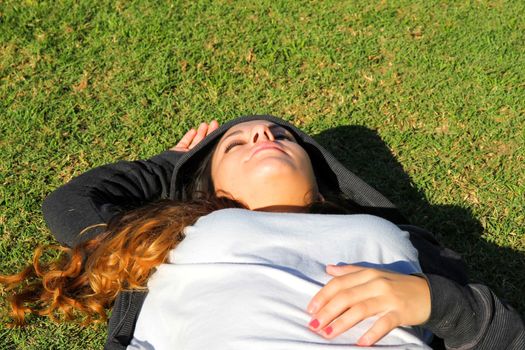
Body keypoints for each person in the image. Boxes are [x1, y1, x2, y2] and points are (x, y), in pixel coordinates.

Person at [1, 115, 524, 350]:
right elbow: (72, 204)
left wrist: (441, 304)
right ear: (215, 190)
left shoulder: (395, 234)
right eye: (235, 143)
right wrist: (176, 163)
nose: (262, 136)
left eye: (280, 135)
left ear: (321, 182)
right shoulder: (174, 232)